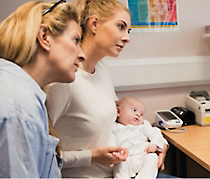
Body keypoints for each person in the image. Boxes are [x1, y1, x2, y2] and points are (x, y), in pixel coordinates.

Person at [45, 0, 168, 177]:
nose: (127, 38)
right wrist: (92, 156)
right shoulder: (64, 81)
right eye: (121, 26)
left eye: (128, 30)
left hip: (124, 170)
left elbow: (118, 119)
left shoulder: (102, 69)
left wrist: (159, 144)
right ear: (94, 24)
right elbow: (43, 156)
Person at [0, 0, 85, 177]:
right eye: (76, 40)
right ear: (45, 37)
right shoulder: (20, 108)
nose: (81, 54)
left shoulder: (18, 91)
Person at [112, 97, 168, 178]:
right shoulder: (114, 127)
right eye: (134, 110)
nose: (138, 114)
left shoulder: (143, 126)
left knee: (153, 157)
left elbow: (155, 133)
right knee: (119, 163)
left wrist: (154, 144)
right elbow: (110, 140)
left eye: (141, 114)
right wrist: (115, 151)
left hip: (143, 155)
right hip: (125, 157)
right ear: (118, 111)